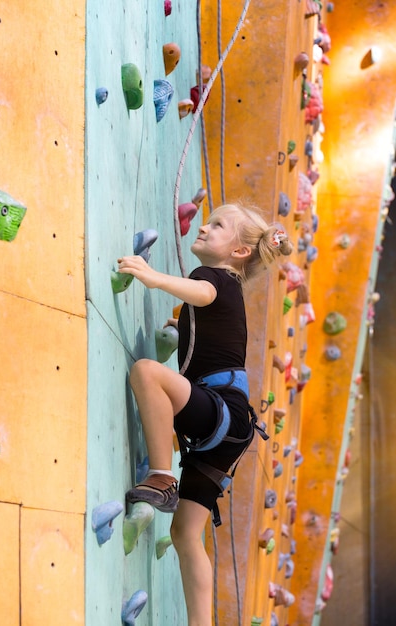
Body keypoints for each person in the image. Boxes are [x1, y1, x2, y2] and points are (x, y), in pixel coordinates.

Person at [118, 203, 293, 626]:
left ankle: (162, 476)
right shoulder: (224, 283)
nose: (203, 227)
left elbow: (203, 294)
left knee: (146, 372)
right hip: (230, 426)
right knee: (184, 534)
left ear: (238, 252)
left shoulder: (217, 279)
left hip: (223, 412)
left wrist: (152, 276)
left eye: (217, 226)